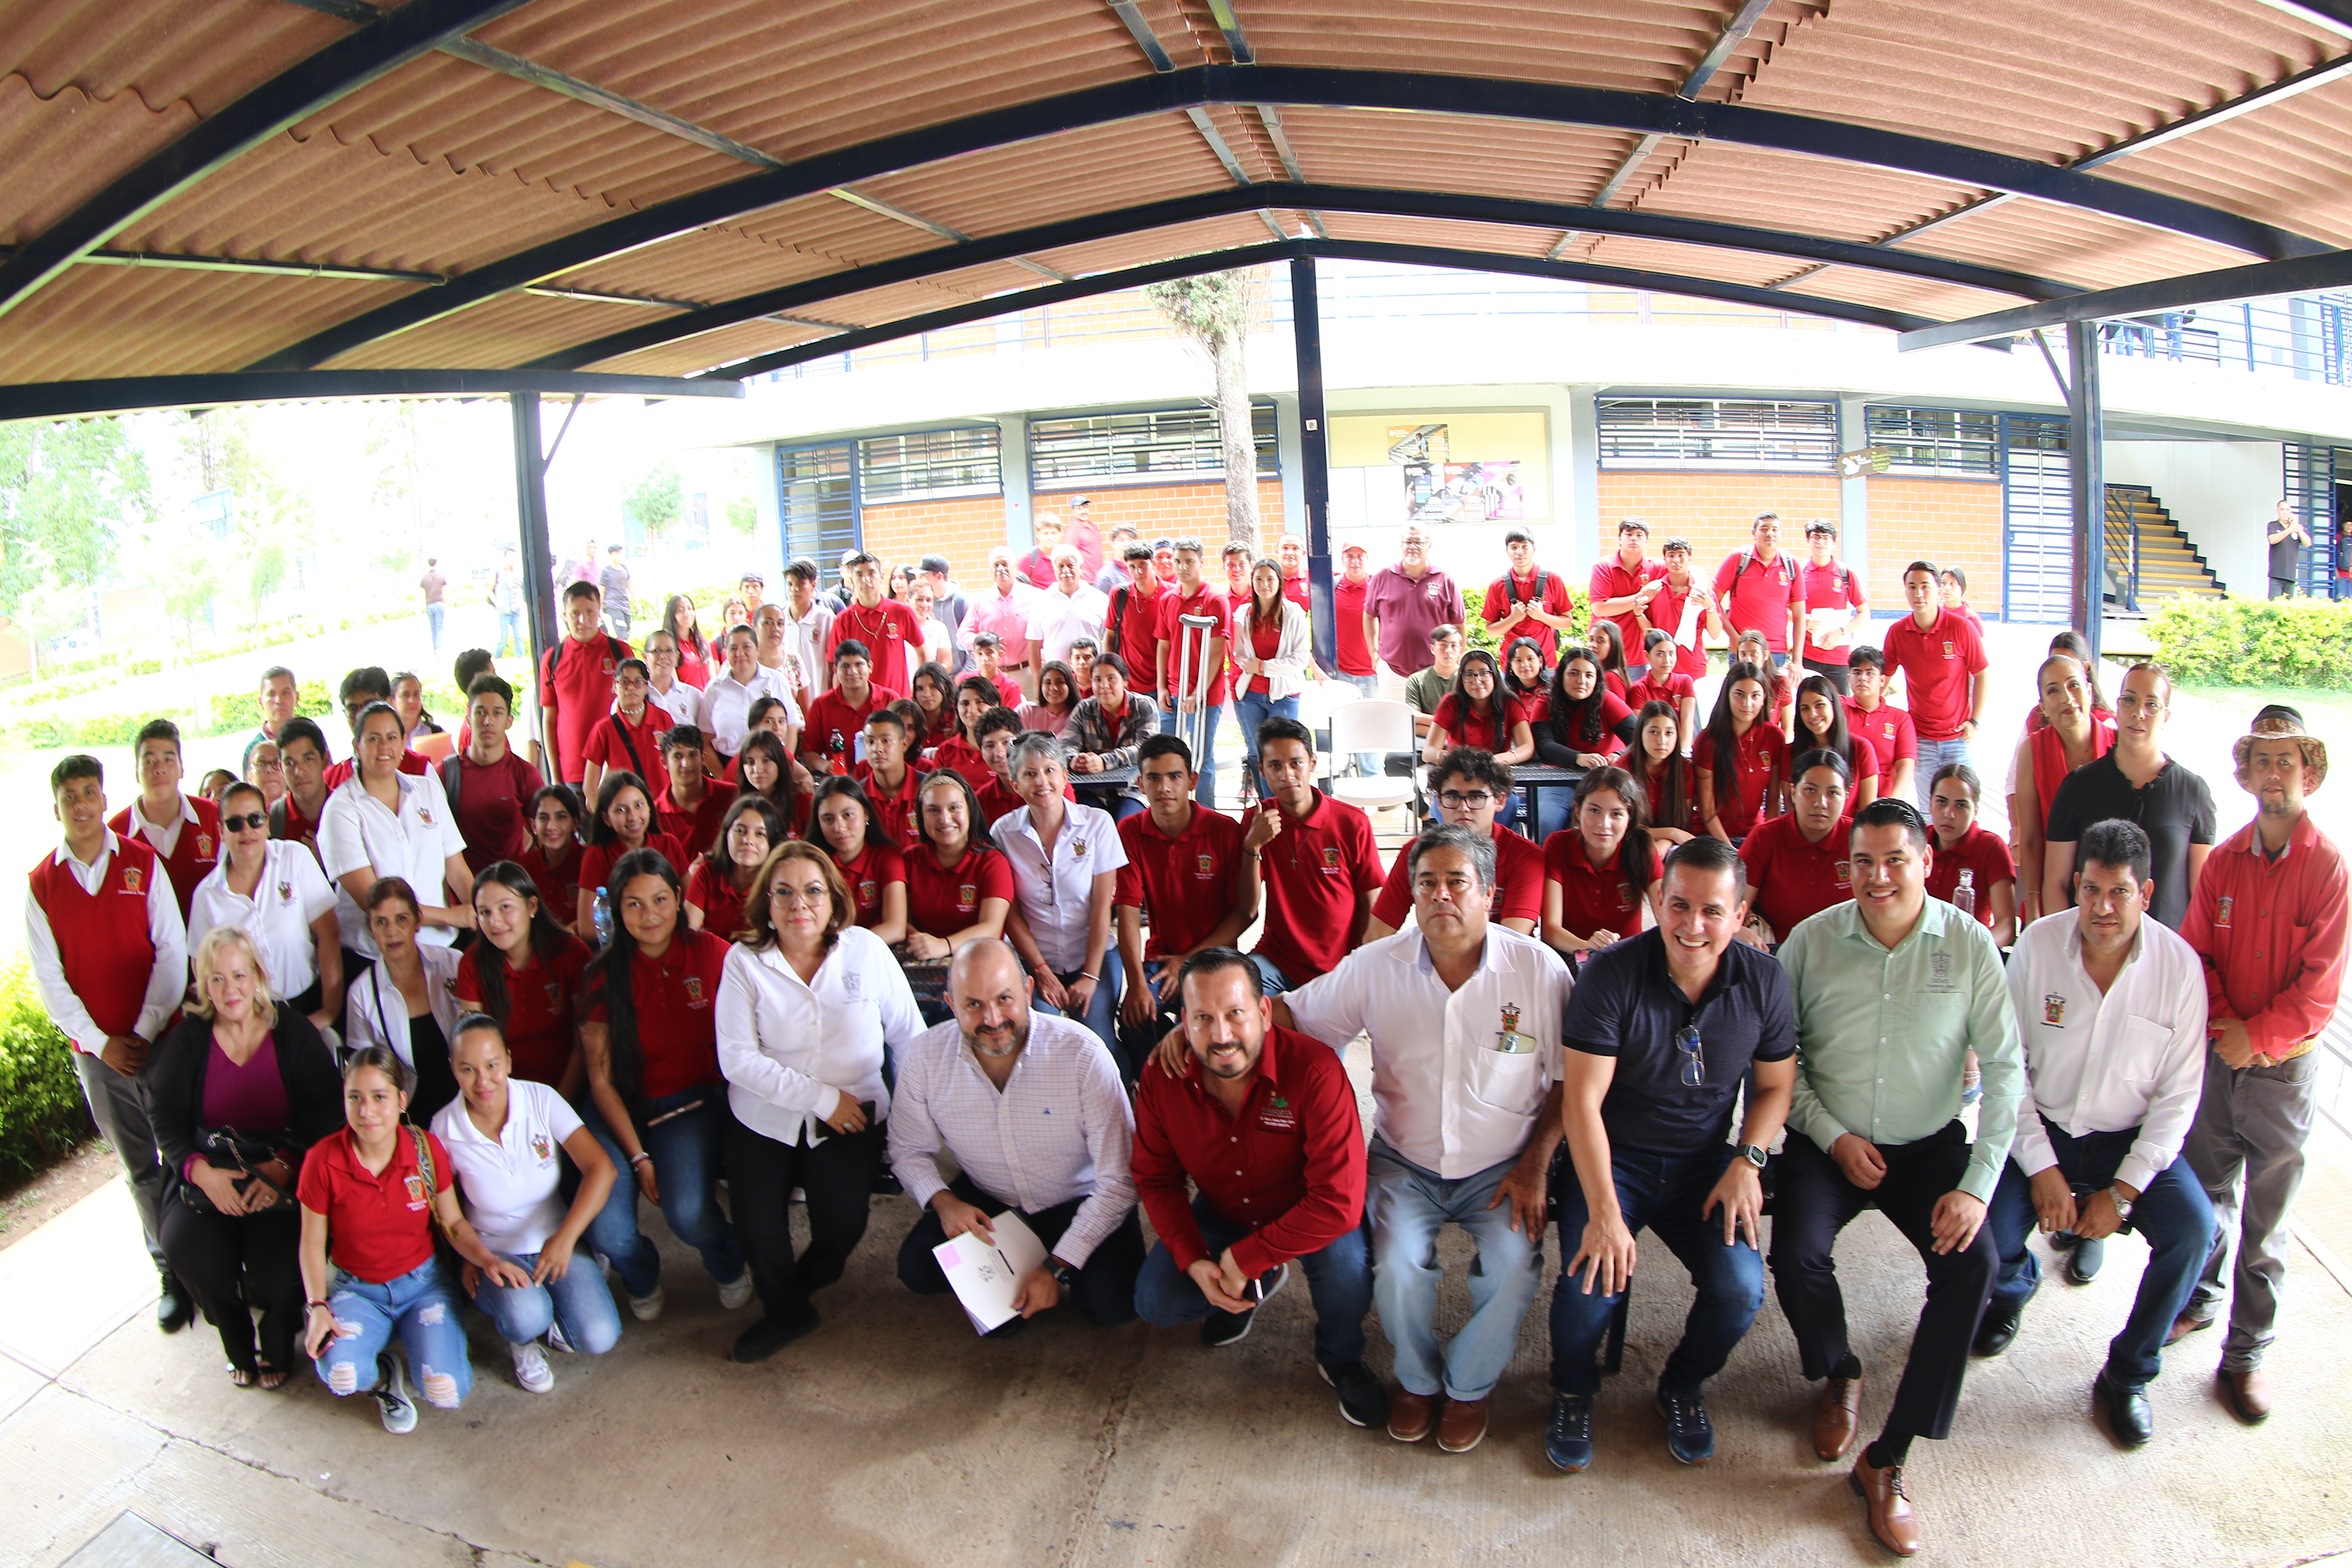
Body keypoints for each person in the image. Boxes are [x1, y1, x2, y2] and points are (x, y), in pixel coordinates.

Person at [1771, 797, 2024, 1557]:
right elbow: (1777, 1063)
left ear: (1926, 862)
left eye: (1895, 860)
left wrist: (1977, 1184)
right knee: (1795, 1253)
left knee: (1973, 1263)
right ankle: (1839, 1368)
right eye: (1863, 862)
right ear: (1845, 866)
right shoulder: (1811, 942)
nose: (1877, 877)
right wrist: (1832, 1134)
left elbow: (2006, 1069)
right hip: (1830, 1139)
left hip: (1928, 1146)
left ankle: (1889, 1456)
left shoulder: (1968, 943)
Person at [1276, 825, 1568, 1452]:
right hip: (1405, 1162)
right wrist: (1212, 1018)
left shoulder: (1538, 971)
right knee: (1399, 1267)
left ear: (1489, 893)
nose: (1441, 896)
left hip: (1505, 1166)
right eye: (1427, 883)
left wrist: (1536, 1166)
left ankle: (1468, 1387)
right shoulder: (1377, 967)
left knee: (1513, 1269)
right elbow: (1294, 1018)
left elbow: (1573, 1080)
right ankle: (1416, 1381)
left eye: (1457, 882)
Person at [1543, 836, 1797, 1470]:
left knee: (1739, 1289)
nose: (1693, 926)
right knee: (1588, 1289)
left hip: (1705, 1162)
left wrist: (1748, 1160)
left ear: (1741, 915)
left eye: (1713, 911)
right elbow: (1582, 1103)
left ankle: (1682, 1385)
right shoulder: (1610, 973)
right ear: (1659, 901)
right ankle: (1573, 1390)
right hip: (1614, 1158)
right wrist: (1605, 1211)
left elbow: (1775, 1088)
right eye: (1679, 905)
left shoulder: (1765, 979)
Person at [1978, 819, 2212, 1447]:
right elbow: (2006, 1070)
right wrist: (2042, 1169)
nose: (2103, 909)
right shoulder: (2037, 947)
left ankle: (2128, 1374)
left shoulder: (2179, 969)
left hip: (2126, 1141)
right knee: (1982, 1239)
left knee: (2195, 1231)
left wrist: (2125, 1192)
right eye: (2090, 891)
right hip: (2043, 1130)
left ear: (2147, 893)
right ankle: (2014, 1289)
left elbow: (2179, 1099)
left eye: (2120, 893)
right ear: (2076, 884)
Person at [2176, 713, 2345, 1424]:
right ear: (2246, 773)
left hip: (2284, 1073)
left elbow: (2320, 988)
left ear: (2309, 772)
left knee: (2266, 1222)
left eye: (2287, 761)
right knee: (2206, 1195)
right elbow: (2196, 954)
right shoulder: (2222, 863)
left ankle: (2246, 1354)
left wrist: (2261, 1037)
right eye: (2263, 761)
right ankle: (2200, 1298)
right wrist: (2228, 1030)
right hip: (2221, 1060)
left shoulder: (2328, 868)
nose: (2274, 774)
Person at [1132, 948, 1382, 1424]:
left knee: (1348, 1272)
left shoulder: (1315, 1071)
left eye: (1236, 1014)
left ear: (1265, 1012)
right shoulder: (1162, 1077)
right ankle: (1249, 1291)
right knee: (1156, 1300)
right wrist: (1193, 1257)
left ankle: (1340, 1357)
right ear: (1183, 1021)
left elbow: (1339, 1202)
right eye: (1203, 1018)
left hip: (1310, 1210)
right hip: (1226, 1209)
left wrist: (1245, 1257)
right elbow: (1156, 1178)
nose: (1222, 1036)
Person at [716, 842, 922, 1361]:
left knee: (844, 1226)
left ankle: (799, 1284)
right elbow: (737, 1059)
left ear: (834, 900)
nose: (798, 904)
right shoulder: (744, 961)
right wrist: (822, 1098)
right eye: (783, 892)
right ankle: (786, 1312)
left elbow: (910, 1037)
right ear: (766, 903)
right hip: (765, 1115)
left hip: (854, 1114)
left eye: (812, 891)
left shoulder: (865, 951)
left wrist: (914, 1120)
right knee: (757, 1227)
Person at [889, 939, 1145, 1327]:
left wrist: (1055, 1266)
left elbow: (1120, 1180)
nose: (992, 1019)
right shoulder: (924, 1058)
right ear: (951, 1005)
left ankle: (1046, 1270)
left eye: (1004, 999)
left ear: (1028, 990)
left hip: (1080, 1198)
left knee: (1114, 1307)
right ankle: (1021, 1273)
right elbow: (906, 1149)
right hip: (991, 1198)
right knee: (918, 1269)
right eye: (973, 1005)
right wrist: (944, 1202)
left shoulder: (1082, 1054)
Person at [28, 755, 193, 1328]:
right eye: (69, 796)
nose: (81, 804)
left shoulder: (142, 863)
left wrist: (143, 1031)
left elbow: (171, 951)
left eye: (89, 792)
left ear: (104, 799)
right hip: (100, 1060)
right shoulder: (41, 886)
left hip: (159, 1042)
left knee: (183, 1153)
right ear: (56, 808)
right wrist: (103, 1045)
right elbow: (51, 983)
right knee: (140, 1167)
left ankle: (206, 1261)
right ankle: (171, 1271)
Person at [151, 926, 343, 1389]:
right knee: (188, 1250)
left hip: (280, 1170)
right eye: (216, 979)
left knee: (279, 1273)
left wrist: (283, 1167)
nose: (229, 989)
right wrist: (200, 1173)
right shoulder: (190, 1040)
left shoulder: (291, 1030)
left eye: (238, 975)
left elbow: (327, 1113)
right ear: (203, 985)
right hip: (210, 1170)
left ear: (257, 974)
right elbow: (165, 1118)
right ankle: (236, 1343)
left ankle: (277, 1345)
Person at [576, 848, 751, 1320]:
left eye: (659, 899)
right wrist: (638, 1158)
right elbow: (601, 1078)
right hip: (619, 1107)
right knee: (609, 1230)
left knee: (688, 1212)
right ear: (617, 910)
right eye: (633, 904)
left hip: (690, 1103)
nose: (649, 915)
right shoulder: (602, 975)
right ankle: (641, 1275)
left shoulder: (713, 953)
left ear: (677, 897)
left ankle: (728, 1261)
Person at [300, 1045, 492, 1432]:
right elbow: (311, 1243)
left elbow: (453, 1221)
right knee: (343, 1376)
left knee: (446, 1390)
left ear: (402, 1101)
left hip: (424, 1285)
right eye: (355, 1098)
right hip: (358, 1290)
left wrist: (486, 1259)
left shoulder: (424, 1150)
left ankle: (430, 1340)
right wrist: (318, 1306)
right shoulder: (322, 1160)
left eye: (379, 1097)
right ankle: (384, 1377)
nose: (366, 1111)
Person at [429, 1014, 620, 1392]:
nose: (483, 1081)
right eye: (468, 1070)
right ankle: (523, 1341)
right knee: (526, 1316)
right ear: (453, 1069)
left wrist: (566, 1239)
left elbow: (601, 1169)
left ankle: (555, 1309)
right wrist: (479, 1259)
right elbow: (449, 1217)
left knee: (599, 1336)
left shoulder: (541, 1099)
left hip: (555, 1240)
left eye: (492, 1065)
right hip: (496, 1250)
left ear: (508, 1060)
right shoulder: (443, 1128)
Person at [1113, 736, 1256, 1080]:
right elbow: (1128, 915)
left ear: (1192, 781)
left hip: (1217, 960)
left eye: (1174, 777)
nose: (1164, 788)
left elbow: (1244, 913)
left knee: (1214, 1027)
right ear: (1141, 783)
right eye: (1154, 778)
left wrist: (1188, 960)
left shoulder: (1224, 831)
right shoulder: (1130, 831)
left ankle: (1205, 1088)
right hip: (1162, 960)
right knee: (1135, 1020)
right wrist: (1135, 983)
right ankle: (1160, 1091)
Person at [2044, 663, 2215, 931]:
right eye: (2130, 700)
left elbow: (2202, 895)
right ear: (2118, 706)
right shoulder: (2079, 786)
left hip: (2167, 947)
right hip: (2091, 945)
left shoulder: (2193, 792)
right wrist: (2063, 945)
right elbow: (2057, 883)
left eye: (2152, 705)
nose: (2138, 713)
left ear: (2166, 717)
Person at [994, 733, 1127, 1055]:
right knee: (1041, 1041)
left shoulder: (1097, 824)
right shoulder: (1003, 833)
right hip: (1034, 960)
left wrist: (1090, 976)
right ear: (1016, 785)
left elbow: (1102, 908)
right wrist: (1041, 971)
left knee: (1098, 1044)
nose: (1042, 781)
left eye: (1050, 770)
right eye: (1030, 774)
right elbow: (1010, 912)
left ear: (1065, 776)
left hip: (1093, 955)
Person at [318, 702, 472, 964]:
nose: (384, 747)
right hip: (375, 955)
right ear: (357, 747)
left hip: (439, 946)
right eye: (373, 739)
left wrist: (481, 914)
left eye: (392, 738)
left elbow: (457, 871)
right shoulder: (341, 810)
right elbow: (375, 903)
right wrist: (451, 916)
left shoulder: (428, 791)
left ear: (403, 743)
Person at [1243, 717, 1385, 992]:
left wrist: (1364, 964)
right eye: (1275, 766)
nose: (1287, 775)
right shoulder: (1257, 820)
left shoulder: (1351, 822)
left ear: (1312, 763)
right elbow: (1247, 905)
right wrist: (1252, 847)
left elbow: (1370, 899)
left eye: (1296, 763)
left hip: (1340, 966)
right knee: (1239, 996)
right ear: (1262, 769)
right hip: (1277, 959)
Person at [188, 782, 344, 1029]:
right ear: (221, 831)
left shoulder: (295, 858)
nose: (247, 831)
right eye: (235, 824)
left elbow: (329, 935)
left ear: (267, 823)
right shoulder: (207, 896)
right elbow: (203, 970)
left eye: (255, 820)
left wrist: (329, 1012)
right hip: (246, 1020)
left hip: (309, 1004)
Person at [1368, 747, 1541, 940]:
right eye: (1452, 797)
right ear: (1438, 802)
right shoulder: (1417, 852)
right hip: (1435, 953)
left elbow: (1513, 941)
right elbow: (1376, 936)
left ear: (1500, 801)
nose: (1463, 808)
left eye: (1476, 797)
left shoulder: (1525, 856)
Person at [455, 861, 591, 1093]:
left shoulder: (571, 953)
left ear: (532, 906)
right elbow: (475, 1049)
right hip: (507, 1092)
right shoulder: (472, 962)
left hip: (574, 1089)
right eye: (485, 913)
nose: (495, 922)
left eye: (505, 907)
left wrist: (558, 1103)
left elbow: (585, 1044)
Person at [343, 877, 465, 1115]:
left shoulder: (454, 965)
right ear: (371, 929)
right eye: (381, 922)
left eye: (401, 919)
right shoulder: (361, 994)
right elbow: (365, 1071)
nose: (392, 932)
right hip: (407, 1112)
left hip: (466, 1100)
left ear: (418, 921)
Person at [2012, 653, 2115, 923]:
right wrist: (2033, 902)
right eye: (2053, 691)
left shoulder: (2117, 745)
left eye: (2073, 685)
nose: (2067, 698)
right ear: (2043, 707)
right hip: (2052, 891)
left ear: (2090, 691)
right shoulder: (2033, 750)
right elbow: (2031, 838)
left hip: (2109, 894)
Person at [1881, 560, 1991, 805]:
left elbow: (1982, 674)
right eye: (1912, 587)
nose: (1919, 594)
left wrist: (1975, 722)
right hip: (1921, 739)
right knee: (1929, 809)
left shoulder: (1962, 628)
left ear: (1938, 590)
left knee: (1964, 807)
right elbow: (1883, 678)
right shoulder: (1898, 633)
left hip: (1958, 738)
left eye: (1925, 586)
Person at [109, 719, 224, 923]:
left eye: (168, 760)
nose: (159, 769)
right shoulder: (116, 834)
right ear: (137, 773)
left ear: (182, 768)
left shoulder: (213, 817)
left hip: (211, 939)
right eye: (149, 761)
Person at [1540, 765, 1660, 957]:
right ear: (1578, 811)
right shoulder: (1559, 845)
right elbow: (1550, 930)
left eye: (1616, 814)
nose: (1604, 824)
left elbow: (1666, 916)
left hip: (1628, 959)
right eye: (1595, 810)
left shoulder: (1642, 849)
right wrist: (1589, 949)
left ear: (1629, 818)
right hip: (1571, 955)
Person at [1739, 750, 1855, 946]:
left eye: (1833, 793)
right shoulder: (1765, 837)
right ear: (1793, 792)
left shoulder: (1858, 839)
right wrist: (1741, 930)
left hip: (1846, 948)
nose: (1820, 803)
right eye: (1810, 790)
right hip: (1778, 949)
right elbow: (1736, 906)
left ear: (1846, 797)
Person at [900, 769, 1014, 962]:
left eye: (954, 808)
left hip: (979, 959)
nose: (945, 819)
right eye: (933, 810)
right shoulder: (910, 859)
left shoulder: (992, 862)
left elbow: (992, 928)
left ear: (970, 811)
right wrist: (920, 942)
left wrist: (943, 945)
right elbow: (900, 919)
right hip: (920, 957)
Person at [1153, 538, 1233, 808]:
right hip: (1173, 692)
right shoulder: (1168, 599)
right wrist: (1162, 687)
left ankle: (1206, 813)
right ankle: (1170, 810)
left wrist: (1198, 693)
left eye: (1189, 561)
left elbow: (1217, 652)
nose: (1182, 567)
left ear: (1201, 562)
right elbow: (1163, 645)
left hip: (1205, 695)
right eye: (1178, 561)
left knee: (1201, 757)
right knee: (1165, 753)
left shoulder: (1215, 600)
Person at [441, 673, 545, 875]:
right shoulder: (446, 775)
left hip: (510, 886)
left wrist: (523, 874)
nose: (488, 721)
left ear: (509, 721)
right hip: (462, 888)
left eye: (497, 713)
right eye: (480, 712)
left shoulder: (525, 775)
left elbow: (545, 835)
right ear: (468, 718)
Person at [1530, 643, 1636, 838]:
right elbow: (1544, 745)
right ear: (1561, 676)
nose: (1582, 681)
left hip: (1603, 779)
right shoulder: (1545, 701)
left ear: (1597, 679)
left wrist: (1619, 755)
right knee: (1546, 821)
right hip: (1558, 780)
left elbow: (1639, 738)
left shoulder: (1607, 699)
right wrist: (1579, 758)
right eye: (1574, 674)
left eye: (1589, 675)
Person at [1231, 557, 1313, 800]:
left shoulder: (1294, 614)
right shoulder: (1243, 614)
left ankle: (1287, 805)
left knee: (1285, 754)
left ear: (1280, 582)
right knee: (1258, 753)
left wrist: (1263, 667)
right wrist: (1248, 664)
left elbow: (1300, 660)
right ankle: (1268, 805)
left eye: (1270, 579)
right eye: (1259, 579)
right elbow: (1239, 654)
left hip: (1285, 695)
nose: (1264, 584)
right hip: (1250, 695)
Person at [538, 580, 631, 787]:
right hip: (572, 772)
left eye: (590, 612)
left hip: (617, 769)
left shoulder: (620, 652)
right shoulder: (552, 659)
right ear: (565, 615)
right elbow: (549, 720)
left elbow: (635, 709)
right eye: (575, 614)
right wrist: (555, 778)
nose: (583, 620)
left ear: (599, 611)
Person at [576, 771, 689, 939]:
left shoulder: (669, 844)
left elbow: (692, 904)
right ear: (606, 818)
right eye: (621, 810)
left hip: (670, 939)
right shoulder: (596, 856)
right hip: (623, 946)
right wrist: (641, 930)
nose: (633, 817)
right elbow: (587, 928)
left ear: (650, 808)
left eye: (639, 805)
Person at [1919, 763, 2019, 946]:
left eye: (1961, 806)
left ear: (1975, 812)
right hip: (1917, 948)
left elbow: (2006, 926)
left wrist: (1974, 951)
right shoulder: (1916, 841)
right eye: (1942, 802)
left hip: (1969, 948)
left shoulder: (1991, 847)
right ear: (1930, 803)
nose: (1949, 814)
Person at [1364, 526, 1466, 691]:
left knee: (1436, 710)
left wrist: (1456, 659)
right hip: (1392, 671)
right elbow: (1369, 615)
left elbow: (1459, 625)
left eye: (1419, 542)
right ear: (1401, 545)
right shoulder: (1383, 577)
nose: (1413, 546)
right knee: (1392, 710)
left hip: (1435, 670)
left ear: (1429, 546)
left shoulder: (1445, 580)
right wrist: (1373, 651)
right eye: (1408, 542)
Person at [810, 777, 910, 944]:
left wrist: (846, 949)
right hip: (823, 951)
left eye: (848, 815)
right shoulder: (812, 863)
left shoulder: (887, 856)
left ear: (866, 814)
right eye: (828, 819)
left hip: (872, 948)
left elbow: (895, 928)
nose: (839, 828)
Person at [1695, 661, 1785, 843]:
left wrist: (1769, 841)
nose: (1747, 703)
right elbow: (1707, 810)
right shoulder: (1708, 740)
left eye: (1755, 696)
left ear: (1764, 699)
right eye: (1739, 694)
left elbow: (1774, 800)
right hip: (1711, 835)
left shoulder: (1774, 736)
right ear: (1727, 695)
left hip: (1754, 833)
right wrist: (1731, 852)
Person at [1065, 652, 1159, 821]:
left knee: (1124, 824)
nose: (1104, 685)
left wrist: (1104, 762)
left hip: (1134, 788)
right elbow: (1066, 746)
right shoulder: (1084, 709)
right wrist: (1074, 760)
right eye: (1098, 679)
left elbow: (1147, 749)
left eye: (1111, 678)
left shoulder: (1144, 707)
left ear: (1125, 681)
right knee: (1086, 824)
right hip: (1092, 789)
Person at [685, 793, 787, 938]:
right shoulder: (708, 872)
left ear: (773, 843)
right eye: (740, 831)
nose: (748, 840)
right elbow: (689, 933)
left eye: (760, 834)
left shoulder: (780, 882)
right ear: (726, 834)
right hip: (714, 951)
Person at [1424, 646, 1535, 779]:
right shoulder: (1451, 703)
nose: (1477, 681)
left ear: (1494, 676)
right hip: (1459, 775)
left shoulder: (1510, 702)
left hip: (1495, 775)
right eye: (1469, 675)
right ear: (1461, 678)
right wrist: (1458, 761)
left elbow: (1527, 747)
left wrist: (1495, 761)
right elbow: (1429, 751)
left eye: (1484, 673)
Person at [826, 551, 926, 697]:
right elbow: (836, 669)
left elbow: (922, 653)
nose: (866, 580)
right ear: (852, 580)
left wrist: (916, 690)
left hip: (897, 701)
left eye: (871, 573)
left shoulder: (902, 612)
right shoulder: (843, 620)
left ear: (881, 577)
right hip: (860, 703)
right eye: (860, 575)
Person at [698, 623, 797, 766]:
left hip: (772, 763)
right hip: (728, 764)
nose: (740, 653)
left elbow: (791, 727)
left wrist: (785, 767)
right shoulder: (715, 689)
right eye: (734, 648)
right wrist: (721, 776)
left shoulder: (776, 681)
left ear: (758, 649)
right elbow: (706, 739)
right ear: (726, 652)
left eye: (746, 647)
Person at [1712, 512, 1804, 668]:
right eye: (1764, 529)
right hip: (1743, 650)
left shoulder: (1791, 565)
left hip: (1776, 653)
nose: (1770, 534)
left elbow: (1799, 615)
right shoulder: (1738, 559)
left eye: (1775, 529)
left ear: (1782, 534)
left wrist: (1797, 661)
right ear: (1754, 533)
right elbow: (1713, 600)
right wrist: (1734, 637)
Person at [1473, 526, 1572, 666]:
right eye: (1514, 547)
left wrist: (1542, 616)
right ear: (1507, 551)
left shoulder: (1553, 579)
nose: (1519, 552)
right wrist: (1513, 619)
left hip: (1546, 663)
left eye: (1525, 547)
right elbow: (1491, 631)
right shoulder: (1498, 586)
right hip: (1512, 665)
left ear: (1534, 549)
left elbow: (1567, 622)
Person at [801, 640, 897, 775]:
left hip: (884, 776)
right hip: (840, 779)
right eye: (845, 666)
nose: (852, 672)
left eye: (859, 665)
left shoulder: (890, 699)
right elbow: (809, 752)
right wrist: (824, 765)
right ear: (835, 670)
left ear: (870, 667)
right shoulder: (821, 705)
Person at [578, 658, 665, 808]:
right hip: (626, 815)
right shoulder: (603, 729)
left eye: (638, 682)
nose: (631, 688)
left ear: (646, 687)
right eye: (624, 682)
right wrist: (605, 819)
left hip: (664, 810)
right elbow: (590, 787)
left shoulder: (663, 718)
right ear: (614, 687)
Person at [1790, 674, 1880, 811]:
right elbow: (1791, 809)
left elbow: (1867, 812)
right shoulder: (1791, 752)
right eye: (1805, 708)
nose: (1813, 714)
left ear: (1834, 706)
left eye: (1820, 705)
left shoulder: (1862, 748)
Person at [1798, 520, 1867, 692]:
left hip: (1838, 658)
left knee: (1839, 705)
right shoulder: (1799, 571)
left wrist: (1841, 632)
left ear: (1834, 543)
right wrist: (1803, 619)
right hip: (1806, 655)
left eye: (1826, 538)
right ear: (1808, 541)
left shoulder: (1846, 573)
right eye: (1816, 537)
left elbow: (1864, 614)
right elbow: (1785, 609)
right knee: (1806, 703)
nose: (1820, 542)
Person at [1844, 646, 1918, 805]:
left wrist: (1893, 804)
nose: (1863, 678)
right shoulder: (1837, 709)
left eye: (1870, 673)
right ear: (1849, 678)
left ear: (1883, 680)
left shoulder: (1900, 719)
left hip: (1881, 801)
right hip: (1842, 797)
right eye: (1857, 673)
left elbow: (1906, 765)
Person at [961, 548, 1040, 696]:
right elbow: (963, 633)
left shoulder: (1035, 596)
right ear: (990, 571)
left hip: (1027, 673)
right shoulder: (981, 600)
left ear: (1015, 567)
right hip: (993, 676)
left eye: (1005, 564)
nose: (1001, 569)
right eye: (996, 565)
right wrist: (984, 643)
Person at [1586, 518, 1666, 663]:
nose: (1634, 539)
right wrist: (1642, 595)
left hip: (1640, 655)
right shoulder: (1604, 567)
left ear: (1647, 541)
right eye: (1629, 534)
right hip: (1606, 654)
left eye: (1639, 535)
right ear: (1619, 539)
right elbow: (1600, 608)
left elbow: (1690, 570)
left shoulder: (1657, 568)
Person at [1616, 700, 1697, 840]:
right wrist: (1671, 834)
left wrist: (1667, 842)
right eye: (1654, 732)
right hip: (1632, 842)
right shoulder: (1623, 768)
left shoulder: (1685, 769)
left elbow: (1685, 825)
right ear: (1640, 733)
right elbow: (1621, 826)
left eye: (1669, 733)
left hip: (1674, 845)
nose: (1662, 741)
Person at [1023, 547, 1111, 677]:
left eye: (1070, 565)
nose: (1066, 571)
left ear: (1080, 567)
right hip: (1056, 678)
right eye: (1061, 566)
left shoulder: (1099, 599)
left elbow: (1110, 639)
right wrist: (1037, 681)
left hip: (1091, 677)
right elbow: (1034, 646)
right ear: (1054, 569)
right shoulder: (1042, 601)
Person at [651, 724, 735, 858]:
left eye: (693, 755)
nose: (686, 764)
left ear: (703, 758)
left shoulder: (731, 795)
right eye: (678, 756)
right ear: (665, 763)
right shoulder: (655, 815)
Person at [1650, 536, 1719, 687]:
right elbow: (1648, 629)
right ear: (1665, 559)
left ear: (1689, 559)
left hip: (1692, 666)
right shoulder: (1655, 590)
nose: (1676, 560)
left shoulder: (1703, 593)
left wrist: (1710, 607)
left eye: (1681, 555)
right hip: (1661, 667)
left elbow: (1715, 634)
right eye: (1671, 556)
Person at [518, 785, 587, 936]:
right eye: (544, 818)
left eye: (561, 817)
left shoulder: (589, 862)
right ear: (534, 825)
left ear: (575, 823)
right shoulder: (523, 867)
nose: (551, 826)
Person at [268, 717, 334, 859]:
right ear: (281, 768)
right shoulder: (273, 821)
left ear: (325, 760)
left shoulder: (348, 810)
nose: (299, 772)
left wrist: (328, 861)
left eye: (308, 759)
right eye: (290, 763)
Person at [1626, 628, 1700, 742]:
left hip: (1681, 746)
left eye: (1671, 654)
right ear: (1647, 655)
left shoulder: (1685, 682)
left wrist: (1683, 751)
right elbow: (1642, 729)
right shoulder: (1639, 688)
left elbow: (1687, 721)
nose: (1667, 660)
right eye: (1660, 654)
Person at [1103, 542, 1164, 678]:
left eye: (1143, 565)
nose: (1138, 572)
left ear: (1154, 564)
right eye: (1132, 567)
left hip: (1163, 680)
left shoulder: (1170, 595)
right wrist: (1110, 673)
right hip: (1129, 680)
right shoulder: (1119, 594)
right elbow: (1110, 636)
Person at [1402, 623, 1465, 747]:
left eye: (1454, 646)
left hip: (1464, 741)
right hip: (1427, 739)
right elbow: (1414, 717)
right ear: (1433, 649)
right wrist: (1450, 727)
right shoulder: (1416, 680)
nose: (1448, 651)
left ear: (1460, 650)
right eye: (1443, 645)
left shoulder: (1468, 678)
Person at [1016, 659, 1082, 737]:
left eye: (1060, 682)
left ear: (1070, 685)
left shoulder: (1076, 718)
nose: (1053, 688)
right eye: (1048, 683)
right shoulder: (1026, 711)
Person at [663, 592, 713, 688]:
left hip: (709, 696)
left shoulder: (702, 641)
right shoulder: (669, 647)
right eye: (681, 610)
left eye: (690, 609)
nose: (687, 614)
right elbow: (675, 686)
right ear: (673, 615)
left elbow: (713, 677)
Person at [2265, 499, 2308, 599]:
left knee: (2288, 606)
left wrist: (2296, 526)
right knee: (2275, 605)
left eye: (2288, 510)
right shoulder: (2273, 525)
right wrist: (2289, 530)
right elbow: (2273, 540)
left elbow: (2308, 543)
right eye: (2282, 510)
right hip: (2276, 574)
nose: (2285, 512)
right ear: (2278, 511)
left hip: (2291, 576)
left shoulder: (2295, 529)